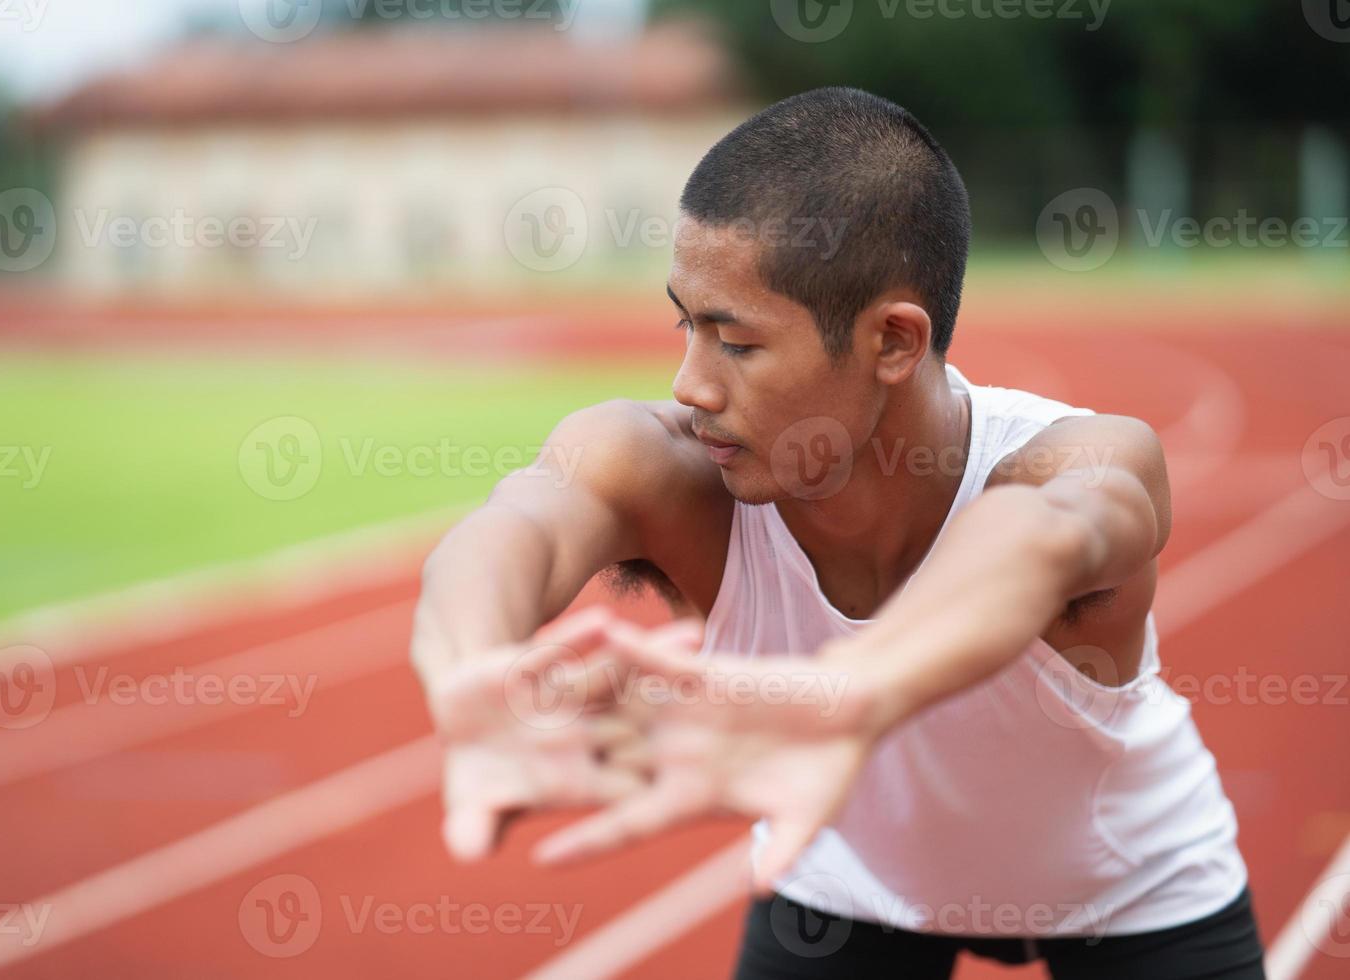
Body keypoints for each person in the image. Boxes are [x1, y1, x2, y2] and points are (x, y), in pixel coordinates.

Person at [410, 87, 1266, 978]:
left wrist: (842, 698)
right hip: (843, 883)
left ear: (893, 341)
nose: (691, 383)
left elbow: (1040, 534)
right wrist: (472, 666)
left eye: (735, 343)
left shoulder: (1084, 460)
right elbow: (515, 526)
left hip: (1134, 893)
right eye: (685, 323)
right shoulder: (672, 468)